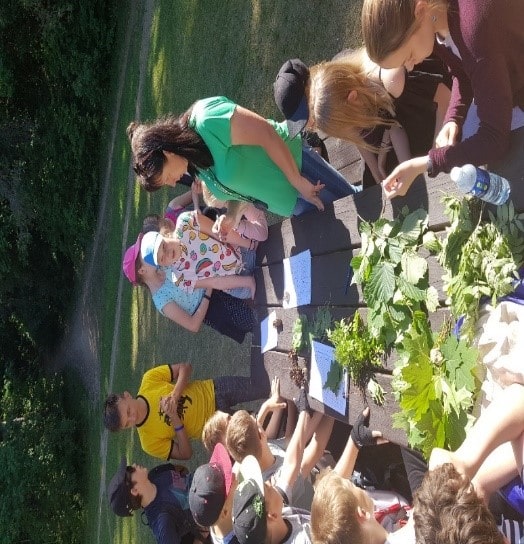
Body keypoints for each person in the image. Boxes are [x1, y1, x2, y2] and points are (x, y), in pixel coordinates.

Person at [361, 0, 524, 198]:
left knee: (505, 188)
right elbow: (461, 71)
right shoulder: (436, 20)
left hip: (515, 92)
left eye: (408, 56)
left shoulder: (474, 29)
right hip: (505, 85)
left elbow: (494, 139)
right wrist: (453, 118)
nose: (410, 67)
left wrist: (428, 163)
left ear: (420, 10)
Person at [127, 95, 361, 219]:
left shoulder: (207, 119)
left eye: (166, 177)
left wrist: (297, 180)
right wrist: (231, 216)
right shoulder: (194, 161)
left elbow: (267, 134)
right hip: (290, 203)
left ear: (167, 151)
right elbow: (239, 188)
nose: (171, 184)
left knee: (360, 206)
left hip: (300, 170)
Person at [306, 51, 450, 187]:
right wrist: (384, 171)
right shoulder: (362, 89)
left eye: (352, 124)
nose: (358, 128)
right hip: (421, 115)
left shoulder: (392, 80)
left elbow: (446, 98)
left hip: (449, 102)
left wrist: (433, 158)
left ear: (352, 97)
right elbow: (393, 124)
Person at [103, 363, 268, 461]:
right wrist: (174, 418)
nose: (132, 418)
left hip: (215, 390)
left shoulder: (149, 380)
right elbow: (186, 453)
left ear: (127, 395)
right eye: (127, 424)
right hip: (217, 428)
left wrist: (175, 396)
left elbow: (185, 367)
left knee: (262, 387)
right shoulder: (148, 442)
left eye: (128, 411)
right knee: (262, 430)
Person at [122, 224, 256, 344]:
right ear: (142, 270)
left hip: (218, 280)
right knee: (256, 319)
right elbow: (193, 325)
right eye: (142, 254)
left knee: (259, 287)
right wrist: (209, 289)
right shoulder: (161, 299)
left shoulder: (164, 264)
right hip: (217, 309)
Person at [140, 213, 256, 299]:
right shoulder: (180, 279)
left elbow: (219, 232)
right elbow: (215, 282)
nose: (168, 254)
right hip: (237, 284)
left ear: (164, 234)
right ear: (162, 265)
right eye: (162, 259)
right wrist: (248, 282)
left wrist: (249, 244)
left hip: (242, 252)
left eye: (164, 246)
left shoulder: (186, 222)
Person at [107, 457, 208, 544]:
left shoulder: (155, 473)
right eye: (130, 470)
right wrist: (205, 531)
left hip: (206, 479)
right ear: (134, 490)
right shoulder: (161, 520)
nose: (134, 465)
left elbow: (182, 470)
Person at [189, 442, 241, 544]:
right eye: (230, 482)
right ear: (224, 512)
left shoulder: (216, 523)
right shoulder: (243, 537)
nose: (234, 475)